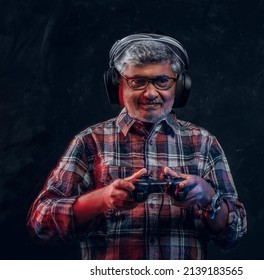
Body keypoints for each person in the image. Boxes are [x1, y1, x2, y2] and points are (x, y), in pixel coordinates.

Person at [27, 33, 247, 260]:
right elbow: (40, 224)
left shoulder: (203, 143)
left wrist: (208, 196)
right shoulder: (89, 142)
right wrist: (102, 199)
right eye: (137, 82)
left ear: (180, 86)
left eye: (162, 81)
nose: (150, 93)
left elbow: (234, 234)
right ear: (117, 85)